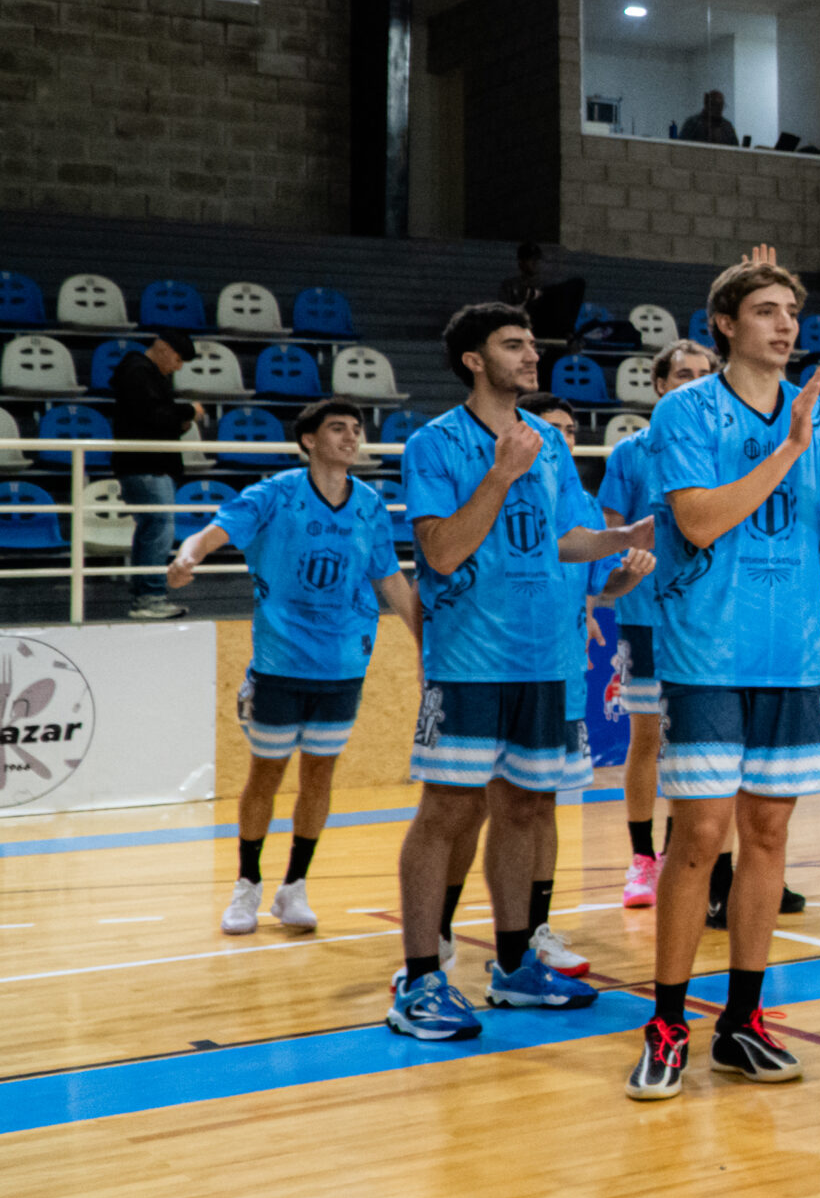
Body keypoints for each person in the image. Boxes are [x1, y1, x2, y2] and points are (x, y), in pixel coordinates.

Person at [624, 251, 820, 1100]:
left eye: (791, 312)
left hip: (789, 656)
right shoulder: (685, 410)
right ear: (726, 324)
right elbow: (698, 521)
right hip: (707, 651)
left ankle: (742, 1019)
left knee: (768, 835)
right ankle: (668, 1021)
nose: (784, 325)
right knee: (700, 836)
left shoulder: (817, 412)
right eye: (767, 310)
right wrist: (793, 447)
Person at [385, 304, 654, 1042]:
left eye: (533, 342)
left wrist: (622, 537)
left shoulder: (551, 444)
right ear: (474, 360)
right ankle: (419, 980)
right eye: (513, 344)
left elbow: (563, 540)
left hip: (546, 660)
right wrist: (501, 475)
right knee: (446, 812)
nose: (532, 354)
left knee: (529, 810)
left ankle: (512, 967)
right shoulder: (435, 443)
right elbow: (442, 552)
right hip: (470, 661)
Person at [167, 397, 421, 935]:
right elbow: (215, 530)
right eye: (338, 428)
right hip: (280, 662)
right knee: (266, 774)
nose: (351, 437)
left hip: (344, 663)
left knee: (319, 776)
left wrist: (426, 642)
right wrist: (190, 556)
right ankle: (247, 884)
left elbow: (390, 578)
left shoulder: (370, 504)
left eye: (356, 429)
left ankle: (294, 887)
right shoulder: (275, 493)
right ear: (308, 440)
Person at [516, 391, 656, 980]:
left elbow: (599, 586)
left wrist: (624, 578)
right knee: (471, 810)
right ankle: (439, 938)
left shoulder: (584, 505)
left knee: (543, 804)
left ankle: (533, 931)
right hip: (500, 666)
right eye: (552, 428)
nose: (564, 439)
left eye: (571, 430)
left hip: (563, 670)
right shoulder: (502, 490)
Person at [597, 338, 718, 907]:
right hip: (647, 614)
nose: (695, 383)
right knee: (648, 737)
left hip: (708, 615)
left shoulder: (723, 446)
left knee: (696, 744)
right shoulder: (631, 452)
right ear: (660, 385)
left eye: (704, 374)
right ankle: (642, 859)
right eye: (684, 374)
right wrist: (624, 566)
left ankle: (679, 853)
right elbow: (610, 531)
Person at [111, 330, 202, 620]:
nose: (178, 367)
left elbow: (154, 419)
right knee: (159, 529)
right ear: (164, 348)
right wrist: (188, 411)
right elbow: (151, 416)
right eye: (178, 359)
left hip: (149, 465)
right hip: (146, 466)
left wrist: (179, 420)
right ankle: (149, 597)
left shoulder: (145, 373)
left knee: (153, 529)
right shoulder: (139, 372)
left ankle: (146, 595)